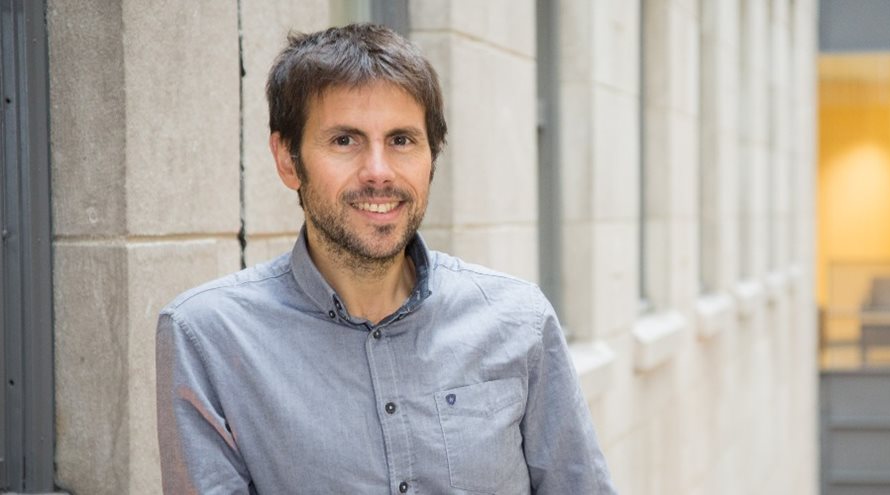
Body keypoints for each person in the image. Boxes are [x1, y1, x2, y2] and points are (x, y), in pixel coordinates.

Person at [156, 23, 616, 494]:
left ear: (431, 158)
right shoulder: (208, 337)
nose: (378, 172)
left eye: (401, 140)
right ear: (288, 160)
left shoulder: (518, 319)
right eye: (345, 140)